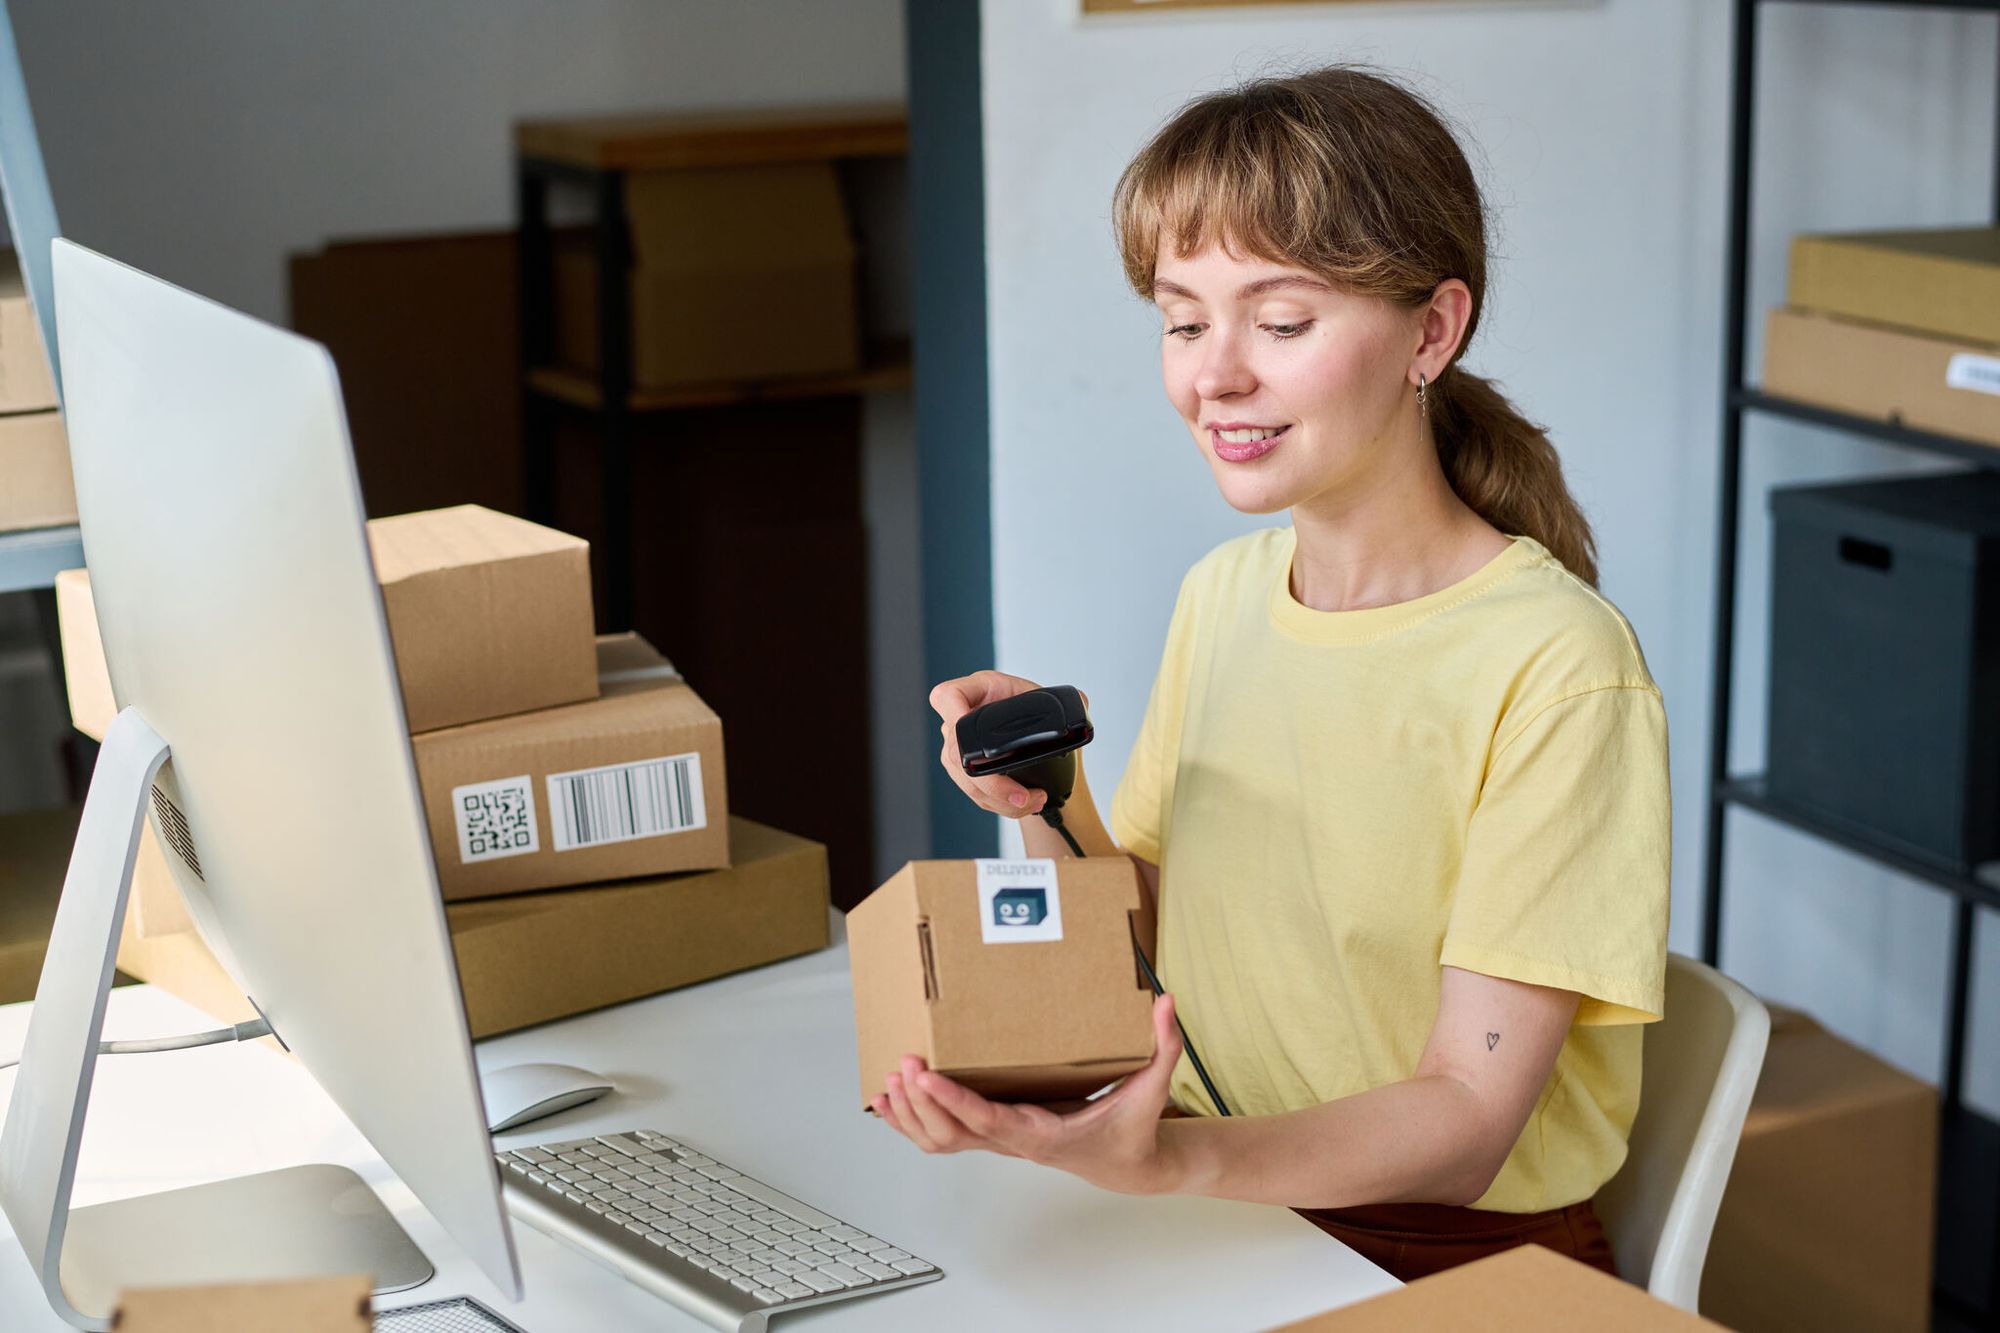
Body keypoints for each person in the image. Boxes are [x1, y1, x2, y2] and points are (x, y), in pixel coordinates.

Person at [873, 64, 1670, 1284]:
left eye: (1280, 321)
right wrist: (1046, 801)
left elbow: (1465, 1121)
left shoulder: (1557, 668)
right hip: (1219, 1194)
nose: (1214, 376)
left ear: (1431, 331)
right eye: (1182, 320)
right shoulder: (1225, 595)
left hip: (1440, 1252)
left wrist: (1165, 1165)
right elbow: (1128, 944)